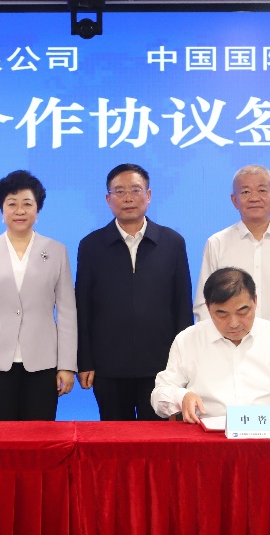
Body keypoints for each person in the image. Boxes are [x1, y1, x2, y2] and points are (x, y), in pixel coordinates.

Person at [75, 163, 194, 421]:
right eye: (119, 191)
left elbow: (182, 306)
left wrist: (185, 364)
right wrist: (84, 361)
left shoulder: (172, 243)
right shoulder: (91, 246)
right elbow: (83, 308)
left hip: (161, 367)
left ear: (148, 195)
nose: (128, 198)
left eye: (135, 190)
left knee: (158, 439)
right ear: (108, 199)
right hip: (108, 366)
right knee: (115, 438)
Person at [0, 170, 76, 421]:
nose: (19, 211)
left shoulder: (56, 251)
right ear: (2, 210)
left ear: (38, 209)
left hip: (44, 363)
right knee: (0, 438)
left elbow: (67, 312)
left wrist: (67, 365)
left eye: (27, 204)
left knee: (40, 437)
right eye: (12, 204)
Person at [153, 267, 270, 423]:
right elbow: (160, 394)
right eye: (222, 314)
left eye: (242, 311)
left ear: (255, 301)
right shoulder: (188, 340)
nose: (233, 323)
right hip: (210, 437)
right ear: (207, 307)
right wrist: (182, 396)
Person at [195, 164, 270, 357]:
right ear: (234, 200)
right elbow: (204, 304)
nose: (254, 198)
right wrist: (211, 351)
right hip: (228, 350)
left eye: (262, 190)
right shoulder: (217, 243)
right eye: (245, 192)